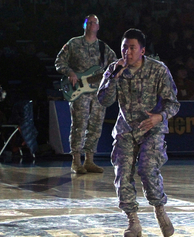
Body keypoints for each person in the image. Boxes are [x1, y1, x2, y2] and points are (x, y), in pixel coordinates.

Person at [97, 28, 179, 237]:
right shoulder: (115, 70)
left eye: (132, 48)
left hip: (151, 129)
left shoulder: (158, 70)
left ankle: (159, 209)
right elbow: (104, 100)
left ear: (142, 51)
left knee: (147, 169)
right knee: (122, 174)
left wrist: (159, 117)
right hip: (126, 130)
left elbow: (173, 103)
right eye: (124, 48)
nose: (127, 52)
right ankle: (133, 222)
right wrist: (114, 76)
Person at [54, 14, 117, 174]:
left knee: (95, 126)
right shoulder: (73, 43)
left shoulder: (103, 47)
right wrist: (70, 72)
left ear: (98, 26)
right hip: (79, 91)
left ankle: (89, 160)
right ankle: (76, 161)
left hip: (97, 92)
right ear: (84, 25)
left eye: (94, 23)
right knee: (79, 125)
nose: (91, 25)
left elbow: (114, 63)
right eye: (88, 23)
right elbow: (59, 61)